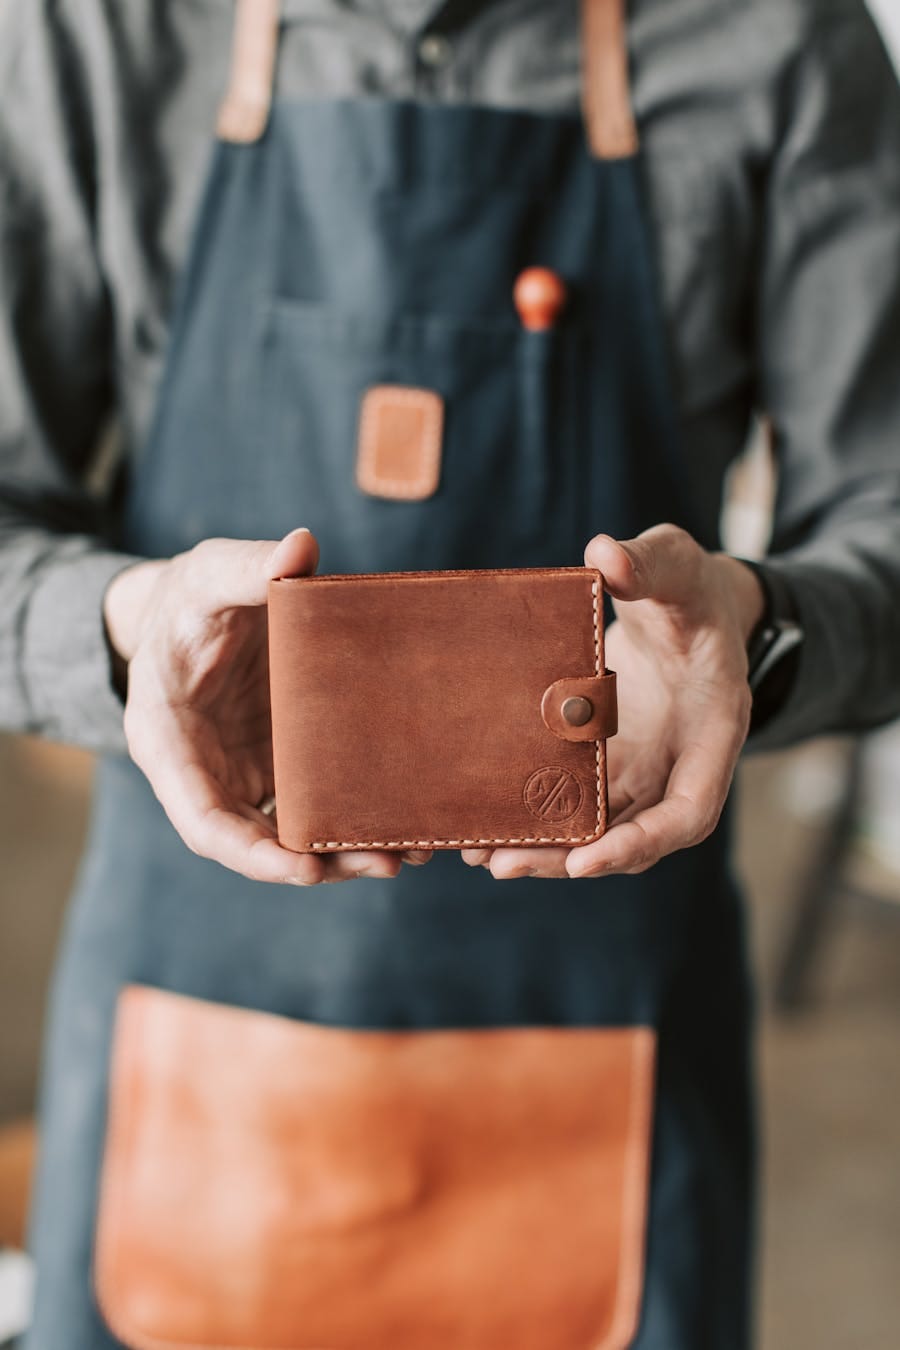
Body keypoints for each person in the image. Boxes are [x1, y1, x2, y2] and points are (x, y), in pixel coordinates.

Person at [1, 0, 899, 1346]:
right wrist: (127, 627)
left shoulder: (774, 38)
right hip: (194, 1032)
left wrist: (760, 630)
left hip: (604, 1036)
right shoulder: (100, 34)